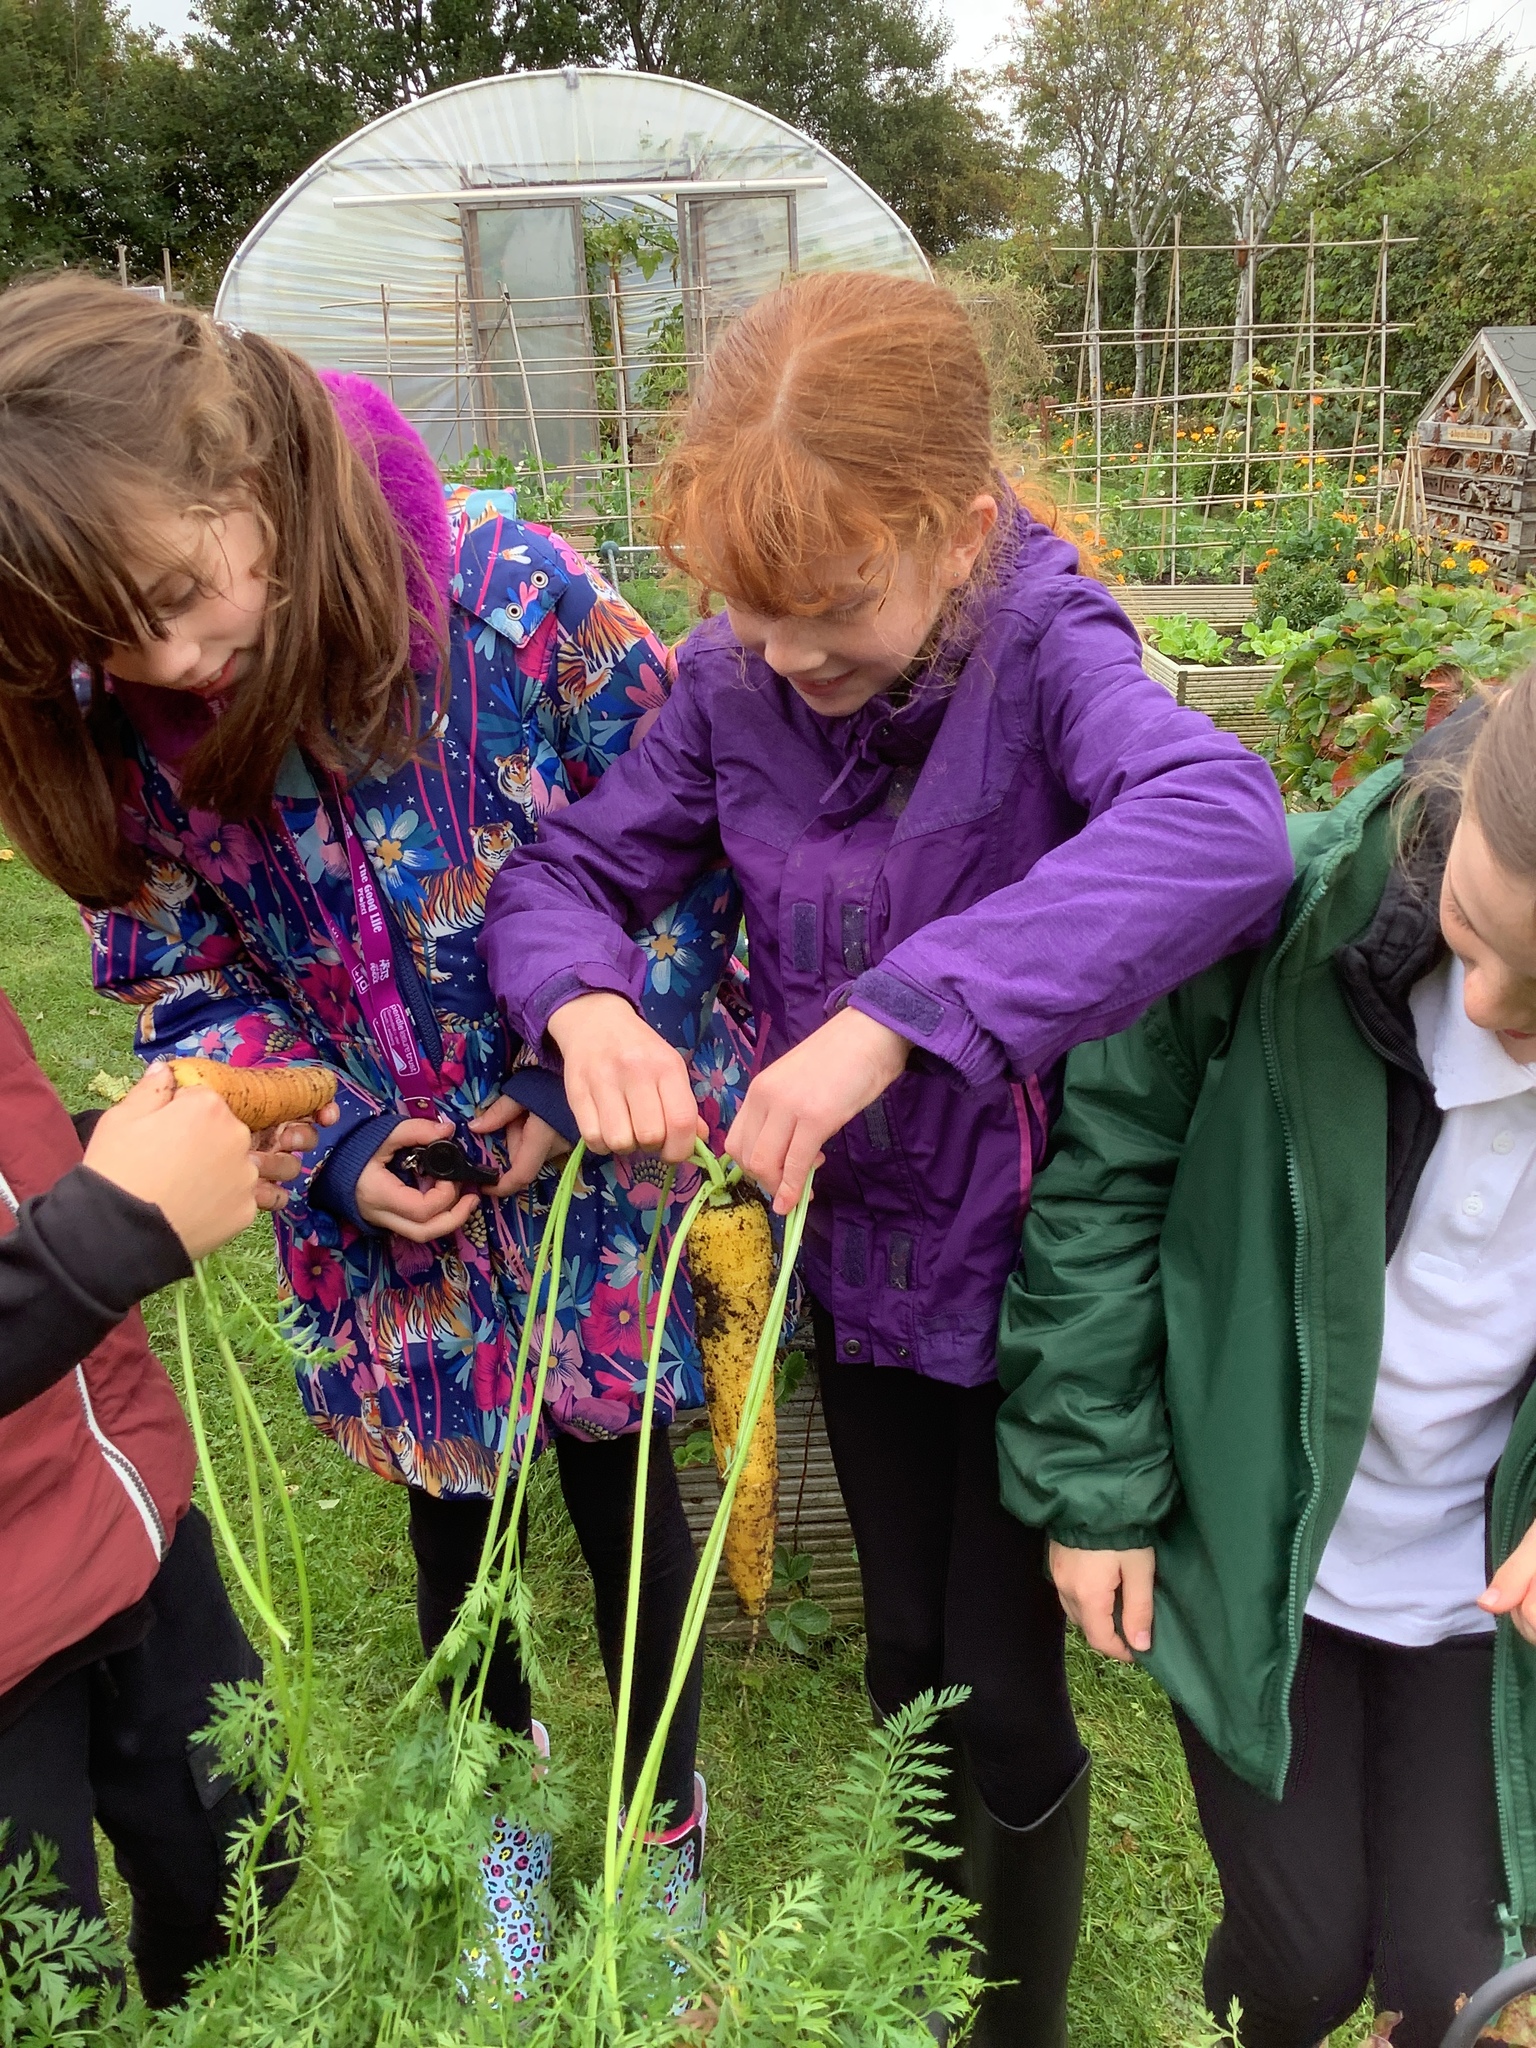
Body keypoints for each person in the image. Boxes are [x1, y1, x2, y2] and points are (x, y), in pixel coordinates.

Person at [479, 268, 1295, 2045]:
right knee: (904, 1656)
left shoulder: (1048, 649)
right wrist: (586, 1007)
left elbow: (1227, 827)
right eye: (749, 608)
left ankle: (1007, 2020)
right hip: (855, 1260)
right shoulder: (733, 685)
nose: (787, 655)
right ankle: (923, 1986)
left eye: (834, 605)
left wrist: (898, 1014)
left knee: (997, 1688)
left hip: (1028, 1277)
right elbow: (561, 875)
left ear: (959, 530)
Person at [0, 272, 752, 1984]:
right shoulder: (137, 726)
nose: (171, 661)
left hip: (599, 1175)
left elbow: (695, 852)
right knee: (452, 1522)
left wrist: (559, 1090)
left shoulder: (514, 600)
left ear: (243, 465)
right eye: (117, 639)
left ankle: (662, 1824)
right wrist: (337, 1147)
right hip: (386, 1224)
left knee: (632, 1507)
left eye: (178, 597)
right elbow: (180, 970)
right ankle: (498, 1825)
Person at [996, 681, 1536, 2046]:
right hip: (1264, 1550)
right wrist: (1097, 1486)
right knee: (1298, 1970)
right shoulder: (1282, 919)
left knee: (1454, 1989)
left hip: (1482, 1589)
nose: (1482, 1005)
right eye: (1470, 937)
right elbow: (1107, 1179)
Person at [0, 1024, 324, 2007]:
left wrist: (109, 1160)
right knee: (54, 1999)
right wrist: (97, 1240)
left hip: (127, 1513)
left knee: (240, 1865)